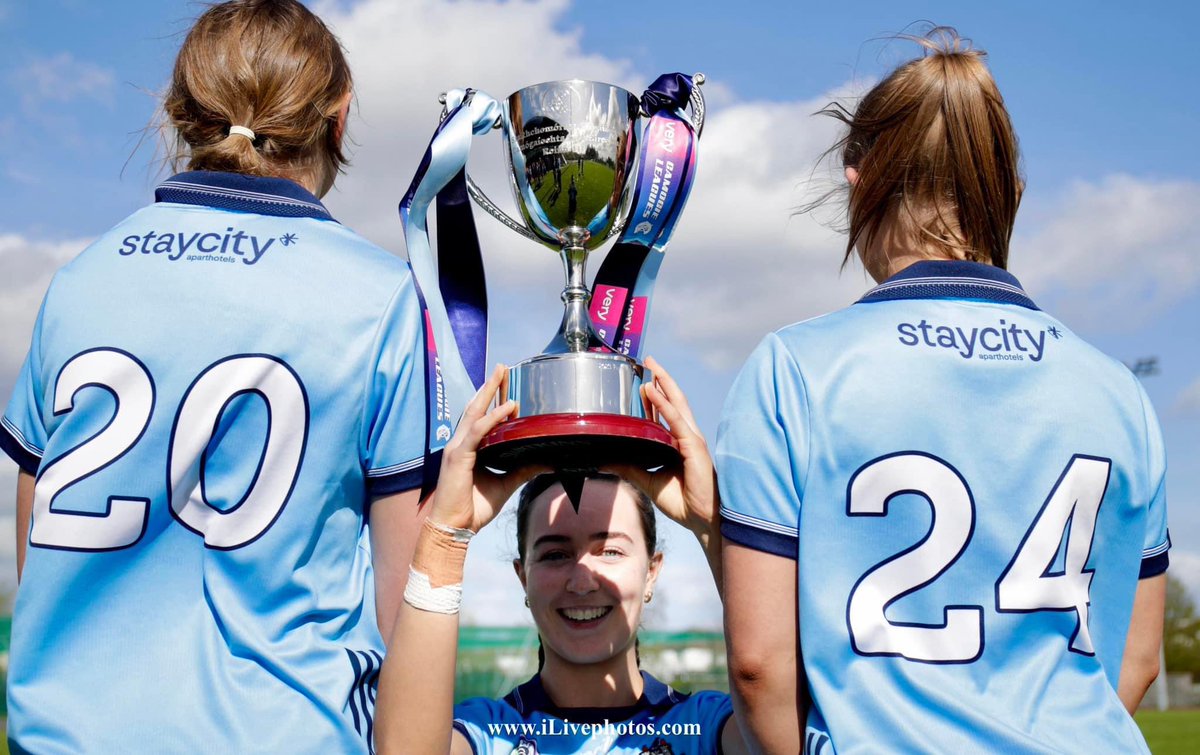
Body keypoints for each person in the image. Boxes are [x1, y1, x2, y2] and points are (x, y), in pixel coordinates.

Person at [716, 27, 1168, 754]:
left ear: (856, 182)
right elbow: (1138, 661)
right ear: (1009, 194)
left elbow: (759, 665)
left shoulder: (796, 369)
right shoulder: (1119, 391)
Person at [0, 1, 435, 751]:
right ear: (339, 116)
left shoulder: (80, 280)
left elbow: (34, 556)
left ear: (176, 116)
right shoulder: (380, 296)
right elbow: (410, 607)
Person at [376, 359, 747, 754]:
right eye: (555, 554)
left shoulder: (703, 728)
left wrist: (712, 525)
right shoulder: (490, 734)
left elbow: (793, 728)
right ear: (523, 576)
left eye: (610, 550)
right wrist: (446, 537)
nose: (582, 580)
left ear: (652, 572)